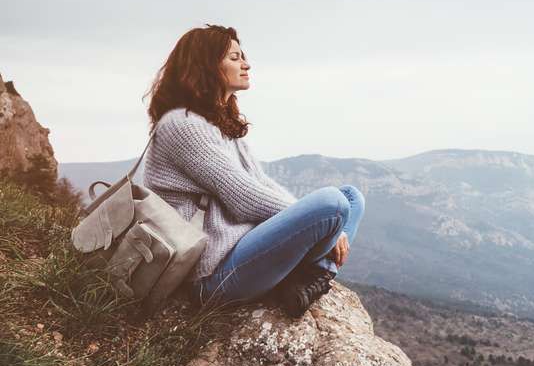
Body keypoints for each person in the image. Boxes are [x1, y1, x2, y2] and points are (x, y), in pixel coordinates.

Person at [140, 24, 365, 317]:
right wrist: (329, 225)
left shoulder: (217, 124)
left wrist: (319, 220)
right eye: (234, 58)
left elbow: (261, 183)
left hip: (240, 252)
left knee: (350, 197)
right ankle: (310, 274)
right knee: (333, 204)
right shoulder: (182, 125)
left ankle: (307, 278)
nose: (246, 64)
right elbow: (245, 198)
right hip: (210, 274)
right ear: (206, 65)